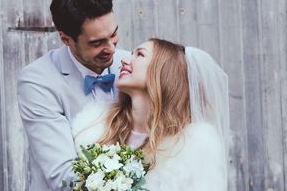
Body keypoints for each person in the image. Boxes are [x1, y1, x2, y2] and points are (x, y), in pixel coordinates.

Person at [71, 38, 229, 190]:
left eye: (140, 54)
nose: (125, 60)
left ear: (162, 72)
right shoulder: (93, 127)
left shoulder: (192, 148)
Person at [17, 0, 130, 190]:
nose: (111, 49)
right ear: (66, 39)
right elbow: (65, 176)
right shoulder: (37, 81)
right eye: (97, 43)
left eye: (113, 34)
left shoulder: (131, 64)